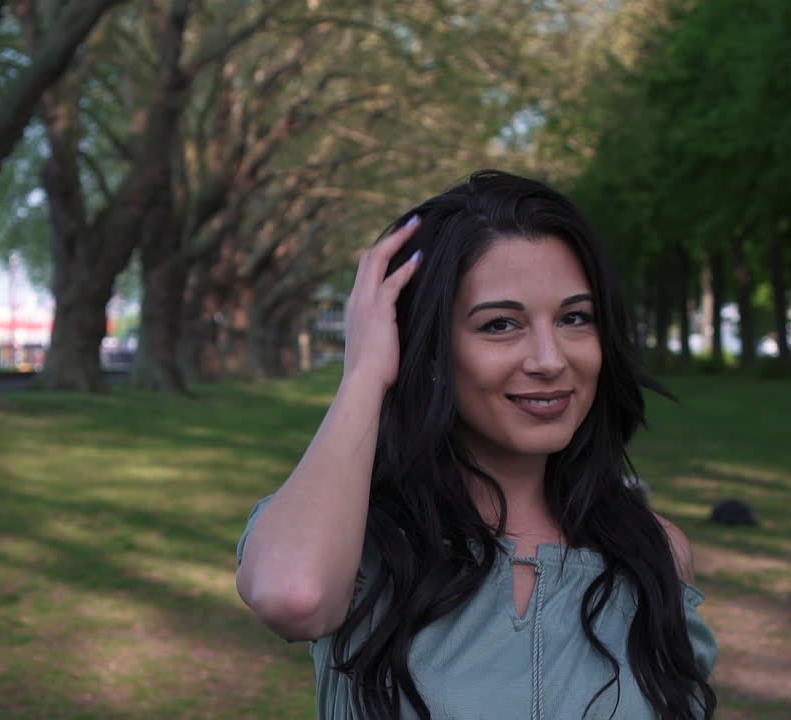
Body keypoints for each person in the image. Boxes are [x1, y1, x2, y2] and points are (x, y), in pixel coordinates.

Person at [235, 170, 717, 720]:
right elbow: (294, 597)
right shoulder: (358, 543)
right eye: (500, 325)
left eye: (575, 318)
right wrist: (365, 374)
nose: (550, 359)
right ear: (433, 349)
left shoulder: (656, 555)